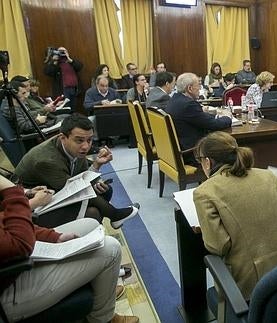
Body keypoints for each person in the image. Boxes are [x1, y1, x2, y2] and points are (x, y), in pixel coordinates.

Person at [0, 174, 139, 323]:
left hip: (19, 262)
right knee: (111, 249)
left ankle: (104, 293)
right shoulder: (46, 158)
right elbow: (19, 244)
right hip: (8, 290)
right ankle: (103, 319)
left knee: (90, 225)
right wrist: (12, 190)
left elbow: (4, 221)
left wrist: (54, 237)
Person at [193, 131, 277, 299]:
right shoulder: (268, 175)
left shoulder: (204, 192)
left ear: (207, 162)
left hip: (252, 289)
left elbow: (218, 246)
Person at [14, 114, 140, 228]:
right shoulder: (46, 160)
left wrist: (96, 165)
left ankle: (110, 220)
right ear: (63, 138)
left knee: (105, 190)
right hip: (32, 206)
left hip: (55, 191)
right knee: (93, 213)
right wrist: (92, 182)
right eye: (79, 140)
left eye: (89, 140)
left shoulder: (71, 147)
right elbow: (72, 190)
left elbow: (81, 174)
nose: (86, 146)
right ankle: (114, 216)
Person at [164, 73, 232, 166]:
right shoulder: (189, 105)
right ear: (190, 88)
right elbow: (213, 125)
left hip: (180, 147)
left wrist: (214, 116)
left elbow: (199, 118)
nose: (200, 89)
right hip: (193, 152)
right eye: (198, 86)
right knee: (228, 146)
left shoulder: (175, 99)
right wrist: (227, 117)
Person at [43, 47, 83, 112]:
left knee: (73, 109)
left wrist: (69, 59)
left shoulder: (70, 61)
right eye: (60, 52)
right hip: (63, 90)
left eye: (63, 51)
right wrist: (55, 61)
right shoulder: (56, 63)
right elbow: (48, 72)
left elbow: (80, 66)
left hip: (74, 89)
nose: (62, 53)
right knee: (66, 109)